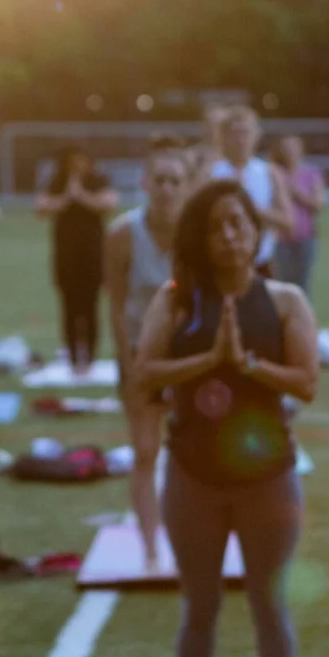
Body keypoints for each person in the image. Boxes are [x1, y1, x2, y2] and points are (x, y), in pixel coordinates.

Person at [132, 180, 319, 657]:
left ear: (256, 231)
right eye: (216, 227)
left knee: (268, 606)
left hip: (268, 481)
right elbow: (144, 373)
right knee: (199, 609)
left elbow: (307, 382)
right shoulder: (176, 301)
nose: (230, 236)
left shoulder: (285, 300)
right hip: (195, 479)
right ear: (201, 239)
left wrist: (248, 365)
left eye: (239, 223)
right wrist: (210, 360)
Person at [105, 136, 191, 571]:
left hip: (187, 357)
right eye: (160, 179)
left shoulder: (195, 235)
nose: (168, 189)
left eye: (176, 180)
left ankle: (189, 540)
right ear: (145, 182)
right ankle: (151, 548)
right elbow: (117, 305)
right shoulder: (123, 234)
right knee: (144, 450)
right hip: (141, 354)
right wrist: (127, 364)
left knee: (190, 453)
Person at [35, 147, 119, 374]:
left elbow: (109, 203)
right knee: (69, 307)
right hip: (65, 255)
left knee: (91, 306)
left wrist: (80, 195)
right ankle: (72, 357)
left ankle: (90, 357)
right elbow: (41, 206)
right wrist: (66, 197)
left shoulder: (98, 180)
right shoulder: (57, 182)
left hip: (92, 255)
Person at [207, 106, 294, 279]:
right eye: (235, 133)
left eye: (245, 133)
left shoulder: (269, 173)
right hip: (219, 266)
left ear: (256, 135)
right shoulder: (211, 173)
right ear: (223, 137)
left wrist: (250, 208)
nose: (240, 140)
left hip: (260, 264)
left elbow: (288, 222)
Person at [270, 136, 326, 297]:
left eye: (293, 148)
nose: (290, 152)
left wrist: (296, 193)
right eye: (286, 148)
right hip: (280, 238)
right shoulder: (275, 173)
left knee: (303, 284)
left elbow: (318, 204)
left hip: (305, 237)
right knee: (281, 284)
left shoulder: (311, 173)